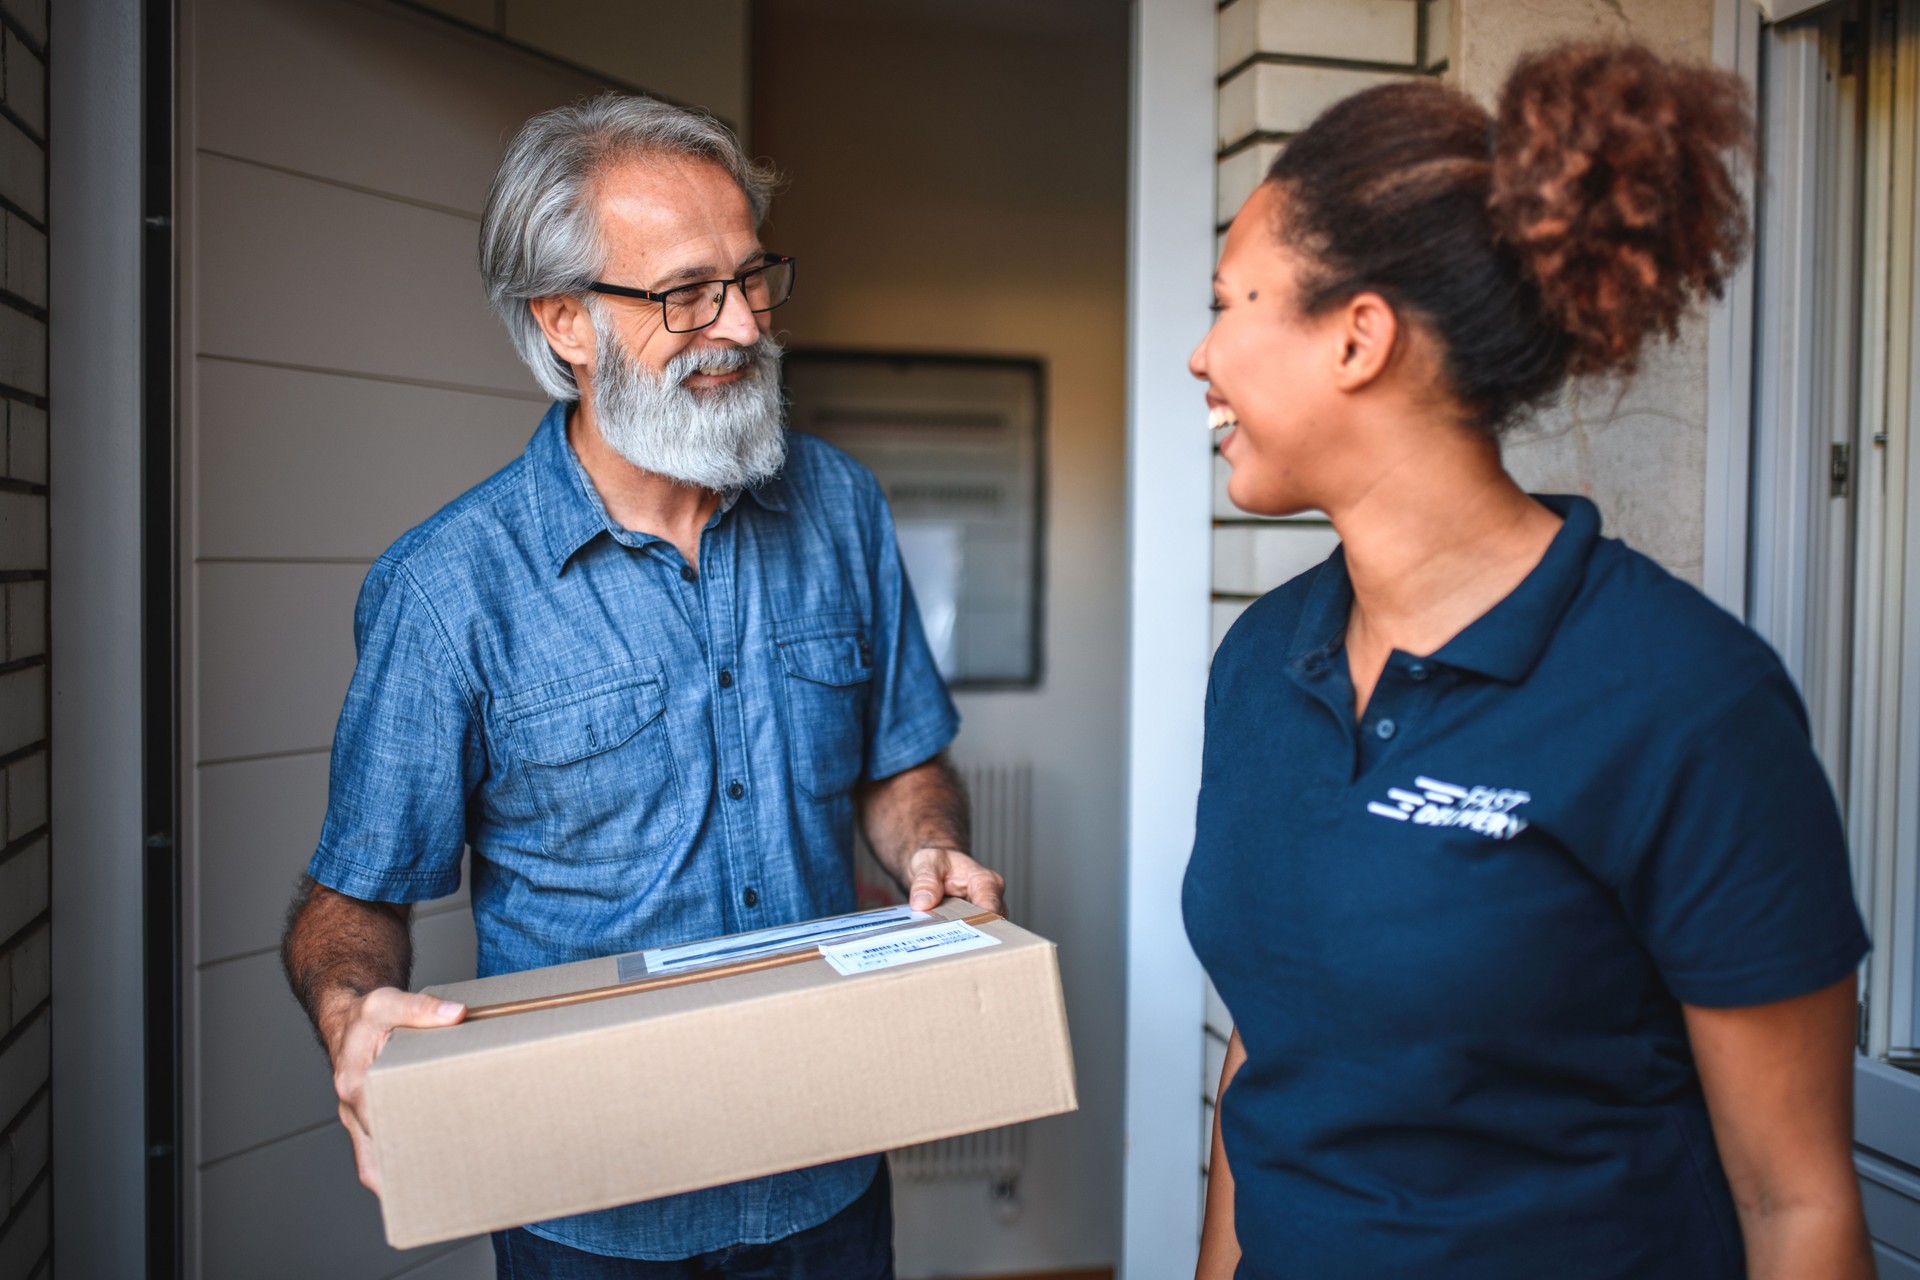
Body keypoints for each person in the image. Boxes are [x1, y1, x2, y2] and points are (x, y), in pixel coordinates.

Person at [279, 93, 1004, 1279]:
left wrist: (927, 847)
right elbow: (348, 901)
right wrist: (352, 1011)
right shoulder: (448, 588)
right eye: (684, 293)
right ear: (565, 320)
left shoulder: (843, 509)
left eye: (752, 277)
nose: (738, 324)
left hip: (826, 1175)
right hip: (589, 1212)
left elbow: (899, 762)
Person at [1183, 42, 1874, 1280]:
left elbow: (1795, 1201)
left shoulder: (1685, 700)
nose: (1202, 354)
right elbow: (1271, 1039)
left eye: (1229, 301)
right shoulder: (1256, 665)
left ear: (1358, 338)